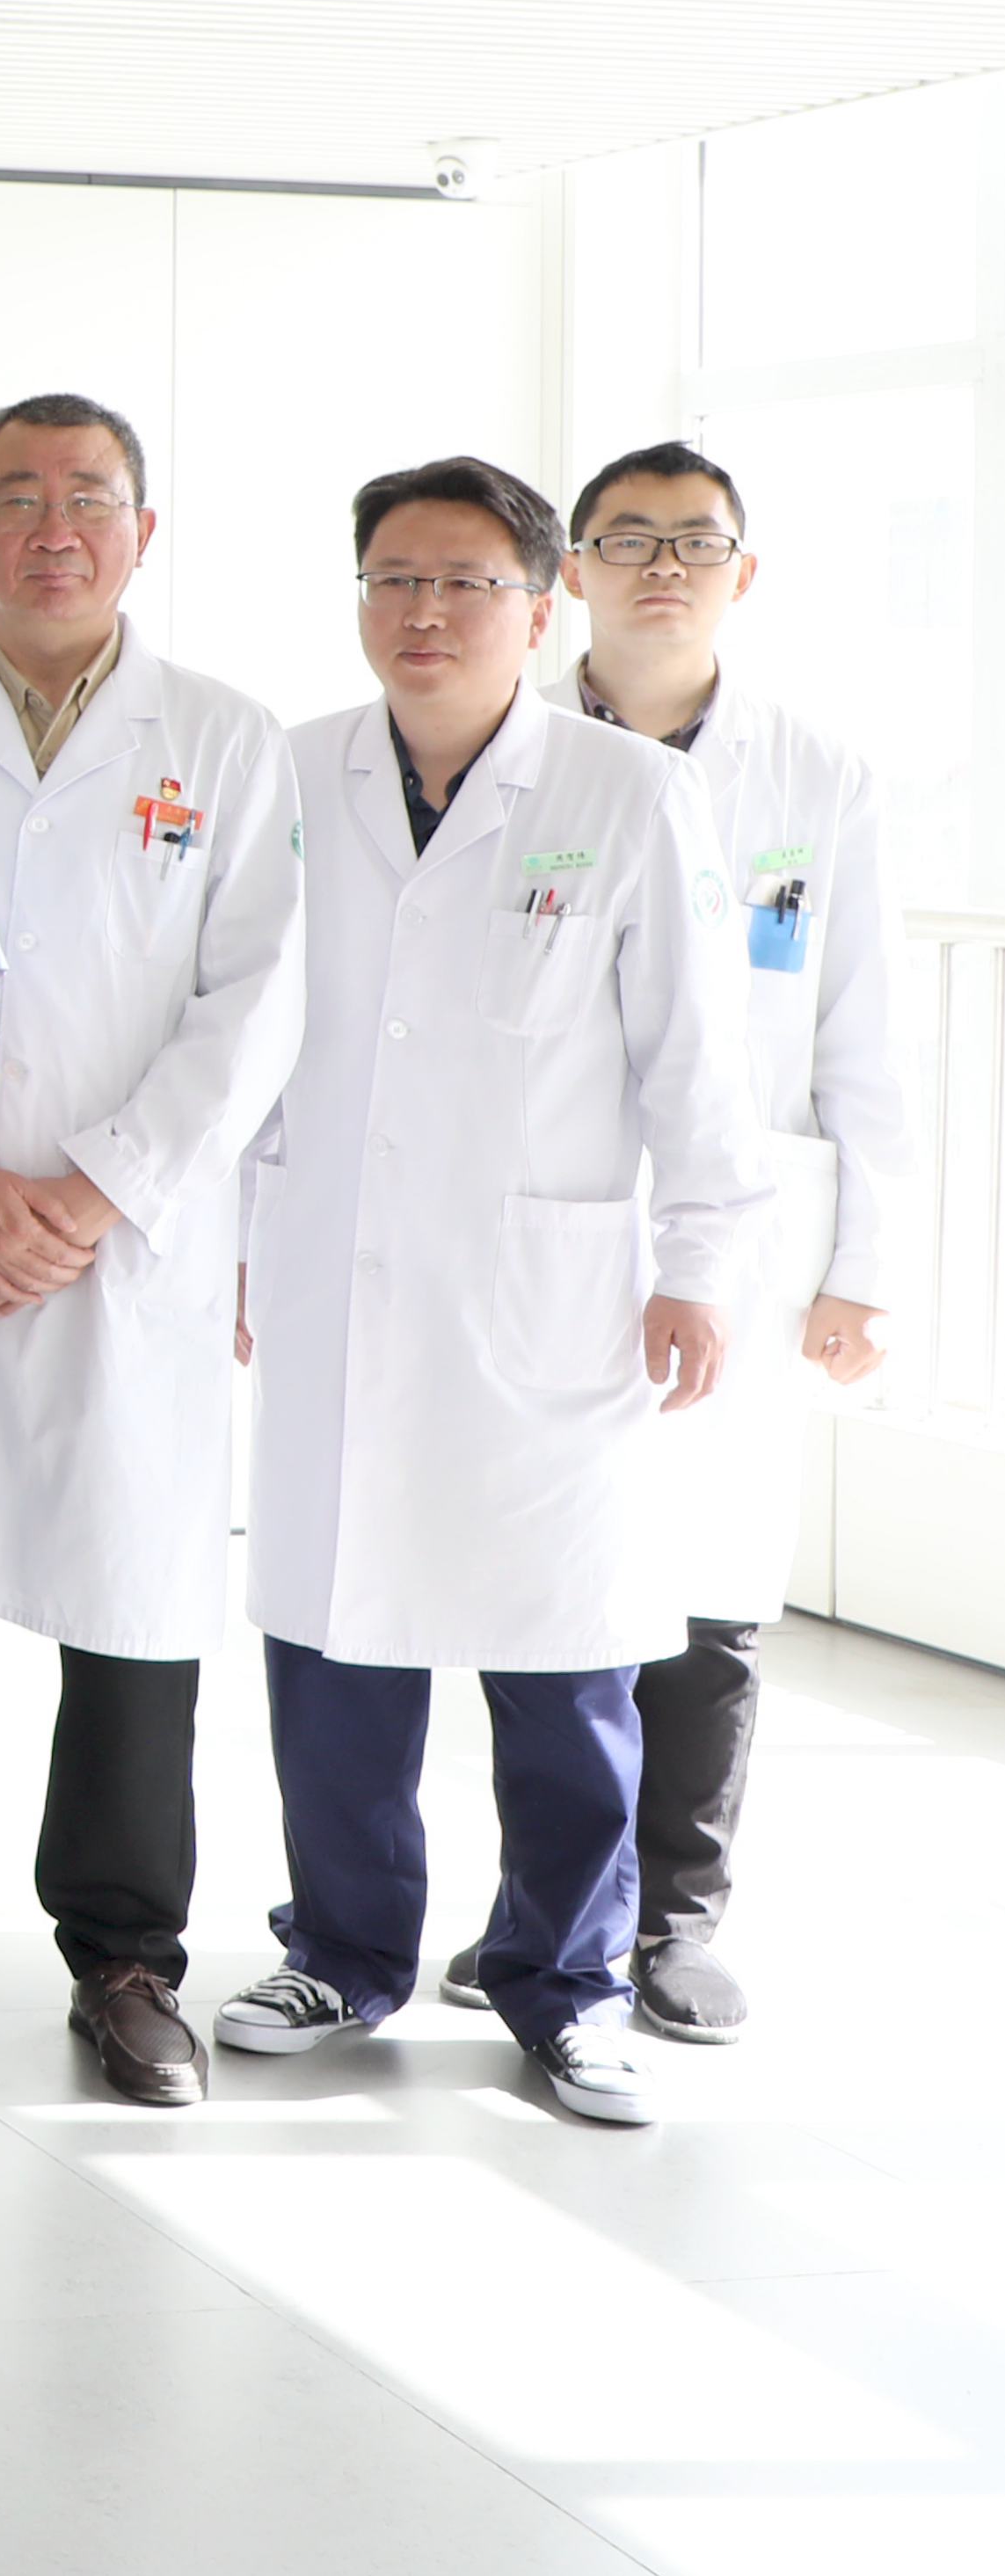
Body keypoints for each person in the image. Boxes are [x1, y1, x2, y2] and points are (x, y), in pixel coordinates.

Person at [220, 456, 767, 2129]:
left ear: (538, 609)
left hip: (548, 1293)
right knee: (331, 1635)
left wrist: (699, 1264)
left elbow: (697, 1063)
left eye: (465, 582)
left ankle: (566, 1980)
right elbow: (240, 1033)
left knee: (561, 1659)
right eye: (394, 577)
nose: (425, 611)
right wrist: (235, 1243)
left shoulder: (627, 794)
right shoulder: (289, 773)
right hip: (330, 1266)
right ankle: (340, 1948)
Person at [0, 397, 304, 2108]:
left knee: (130, 1593)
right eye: (15, 497)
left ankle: (122, 1956)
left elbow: (257, 999)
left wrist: (95, 1192)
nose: (52, 527)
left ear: (141, 530)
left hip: (129, 1245)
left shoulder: (226, 739)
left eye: (88, 497)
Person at [448, 443, 911, 2048]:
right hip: (545, 1221)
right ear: (569, 569)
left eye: (694, 541)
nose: (662, 565)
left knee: (714, 1578)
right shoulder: (503, 745)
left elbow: (860, 1031)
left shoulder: (816, 776)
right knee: (543, 1582)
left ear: (742, 572)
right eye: (626, 538)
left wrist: (864, 1265)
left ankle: (674, 1917)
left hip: (750, 1229)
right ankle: (541, 1911)